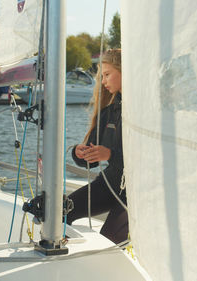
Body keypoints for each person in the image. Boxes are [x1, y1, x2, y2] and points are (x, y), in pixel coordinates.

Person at [66, 49, 127, 244]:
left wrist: (110, 155)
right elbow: (90, 162)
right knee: (61, 211)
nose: (103, 81)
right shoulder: (109, 112)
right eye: (102, 76)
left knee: (108, 243)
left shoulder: (145, 111)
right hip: (110, 184)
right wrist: (80, 152)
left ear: (125, 71)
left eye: (107, 75)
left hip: (136, 192)